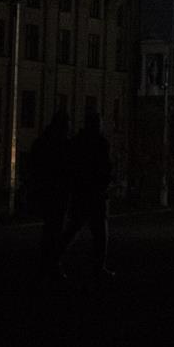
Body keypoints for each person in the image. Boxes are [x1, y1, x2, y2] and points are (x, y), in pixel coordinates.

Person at [57, 108, 115, 279]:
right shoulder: (100, 143)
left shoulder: (77, 142)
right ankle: (98, 267)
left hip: (81, 193)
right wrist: (105, 184)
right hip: (95, 194)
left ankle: (53, 259)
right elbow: (105, 168)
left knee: (73, 230)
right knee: (99, 234)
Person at [28, 109, 73, 278]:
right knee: (55, 230)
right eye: (67, 126)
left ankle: (47, 263)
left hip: (49, 193)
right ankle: (52, 264)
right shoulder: (60, 145)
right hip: (56, 193)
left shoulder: (43, 142)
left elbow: (34, 167)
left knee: (51, 229)